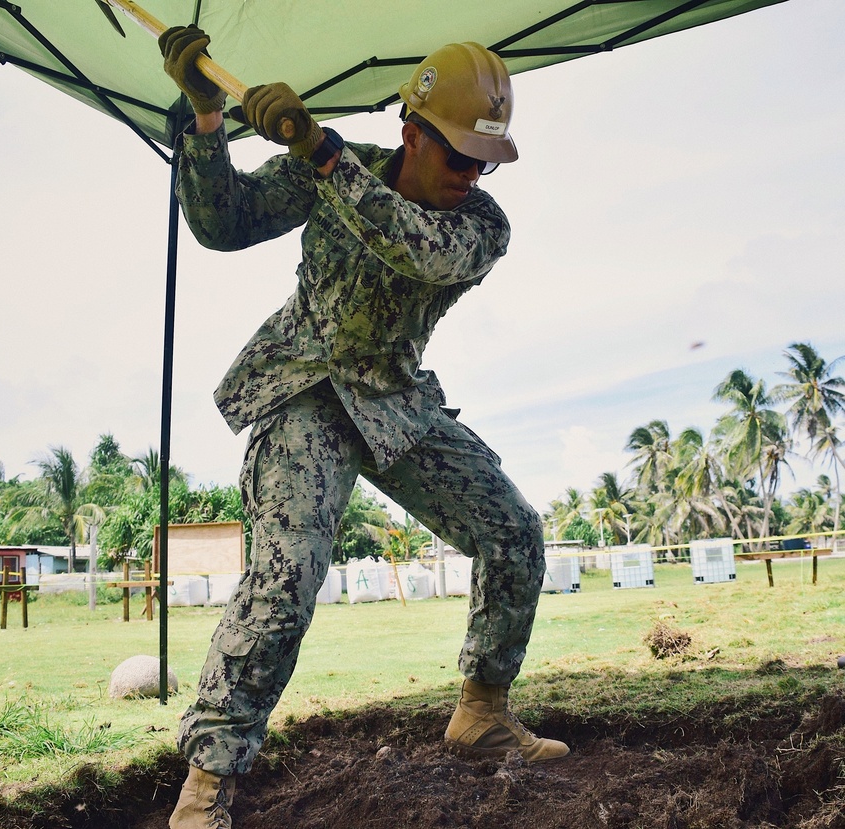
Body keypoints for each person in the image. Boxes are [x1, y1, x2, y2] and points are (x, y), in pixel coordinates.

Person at [158, 25, 570, 829]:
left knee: (514, 530)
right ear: (412, 132)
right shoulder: (335, 168)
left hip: (393, 397)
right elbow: (224, 223)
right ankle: (205, 784)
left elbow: (409, 244)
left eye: (485, 160)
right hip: (306, 389)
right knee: (285, 578)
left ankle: (482, 713)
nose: (473, 174)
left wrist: (320, 151)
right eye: (459, 155)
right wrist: (206, 122)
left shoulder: (482, 226)